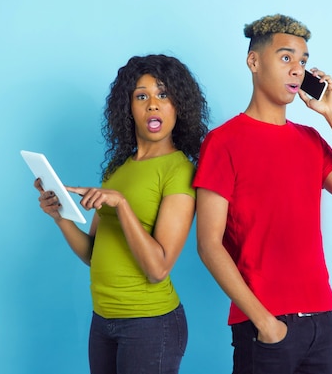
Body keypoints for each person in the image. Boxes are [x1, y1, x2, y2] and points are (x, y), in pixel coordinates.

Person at [193, 14, 332, 374]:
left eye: (303, 61)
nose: (297, 69)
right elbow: (208, 245)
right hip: (265, 326)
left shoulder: (310, 141)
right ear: (254, 62)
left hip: (322, 322)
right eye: (286, 57)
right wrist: (265, 323)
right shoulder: (223, 142)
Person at [33, 54, 209, 374]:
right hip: (103, 322)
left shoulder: (179, 170)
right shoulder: (118, 168)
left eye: (163, 95)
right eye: (142, 96)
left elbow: (158, 268)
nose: (152, 104)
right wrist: (60, 216)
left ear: (178, 106)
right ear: (128, 107)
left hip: (150, 325)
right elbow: (92, 253)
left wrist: (122, 205)